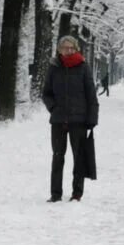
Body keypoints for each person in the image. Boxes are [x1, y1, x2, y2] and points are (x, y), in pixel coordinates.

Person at [41, 35, 99, 202]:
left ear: (76, 49)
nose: (68, 51)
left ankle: (77, 193)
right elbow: (46, 93)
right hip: (58, 120)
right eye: (65, 48)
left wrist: (92, 118)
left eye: (71, 48)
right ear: (59, 50)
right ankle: (55, 194)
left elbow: (91, 96)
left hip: (78, 120)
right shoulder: (54, 67)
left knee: (78, 157)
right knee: (57, 156)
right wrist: (53, 108)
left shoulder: (83, 67)